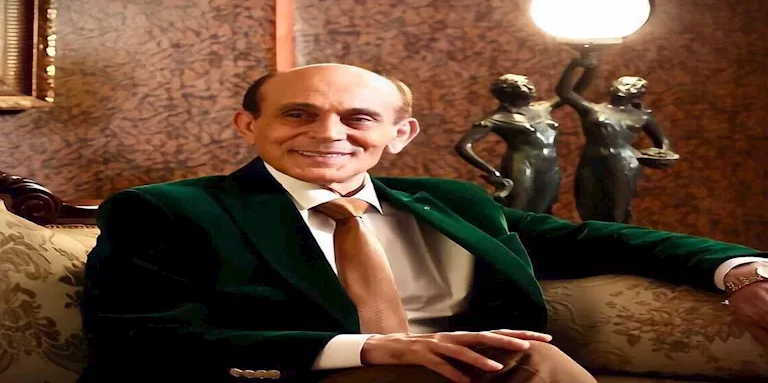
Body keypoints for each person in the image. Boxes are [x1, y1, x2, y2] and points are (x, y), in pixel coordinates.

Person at [80, 63, 768, 383]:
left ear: (399, 135)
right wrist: (372, 350)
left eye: (358, 117)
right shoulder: (168, 209)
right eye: (298, 114)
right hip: (298, 377)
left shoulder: (453, 202)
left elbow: (596, 238)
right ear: (248, 125)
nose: (330, 133)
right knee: (526, 360)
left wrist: (739, 271)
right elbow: (141, 338)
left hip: (470, 375)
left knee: (520, 358)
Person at [556, 53, 679, 224]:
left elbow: (662, 141)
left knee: (616, 207)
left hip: (623, 162)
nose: (622, 86)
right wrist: (575, 65)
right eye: (621, 83)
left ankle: (615, 237)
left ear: (637, 93)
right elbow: (564, 92)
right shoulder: (592, 109)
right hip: (591, 160)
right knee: (586, 203)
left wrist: (661, 154)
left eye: (629, 86)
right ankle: (592, 237)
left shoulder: (642, 116)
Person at [455, 70, 593, 214]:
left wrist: (580, 65)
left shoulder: (543, 107)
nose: (530, 87)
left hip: (550, 164)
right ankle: (512, 228)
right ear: (508, 91)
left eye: (529, 83)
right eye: (524, 85)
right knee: (519, 205)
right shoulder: (498, 118)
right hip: (522, 164)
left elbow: (572, 92)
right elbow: (463, 146)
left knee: (545, 206)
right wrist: (492, 171)